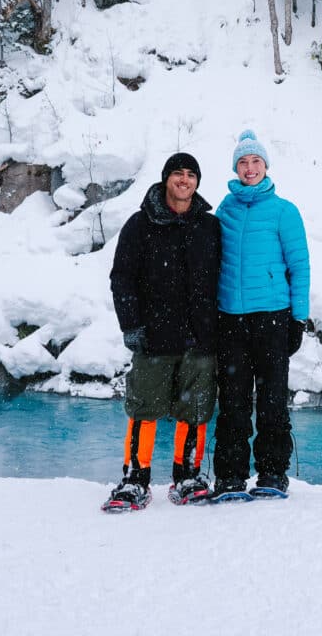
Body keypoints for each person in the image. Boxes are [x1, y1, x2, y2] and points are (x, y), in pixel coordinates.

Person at [105, 152, 221, 510]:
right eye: (178, 174)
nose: (184, 180)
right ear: (166, 179)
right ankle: (134, 479)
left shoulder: (210, 226)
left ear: (197, 182)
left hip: (200, 337)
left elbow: (223, 278)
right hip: (155, 336)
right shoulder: (140, 225)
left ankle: (187, 475)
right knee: (144, 408)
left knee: (196, 411)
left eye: (191, 174)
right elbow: (121, 278)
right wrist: (131, 326)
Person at [212, 129, 310, 498]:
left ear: (266, 166)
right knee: (233, 402)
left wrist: (298, 318)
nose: (249, 168)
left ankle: (272, 473)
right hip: (231, 320)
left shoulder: (284, 211)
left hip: (272, 317)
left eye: (255, 161)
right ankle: (230, 476)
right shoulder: (224, 209)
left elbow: (299, 267)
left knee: (271, 400)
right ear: (235, 168)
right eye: (242, 162)